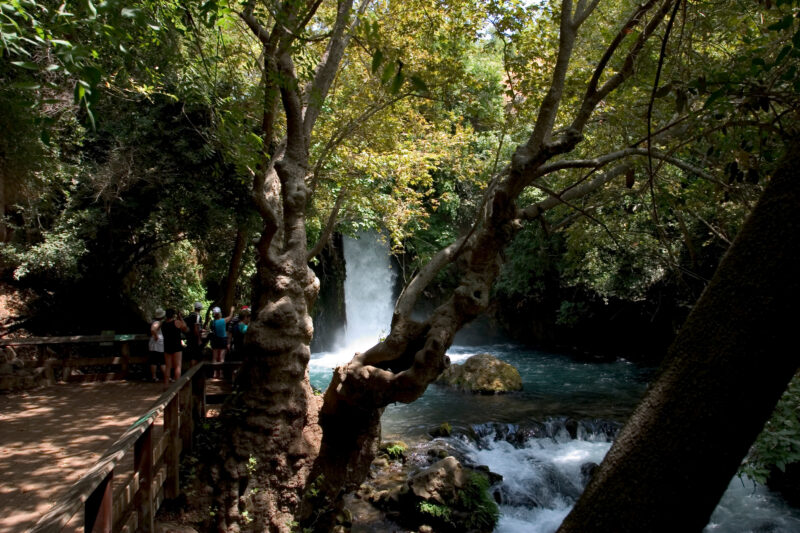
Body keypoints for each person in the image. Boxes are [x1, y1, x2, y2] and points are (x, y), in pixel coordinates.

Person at [160, 308, 188, 386]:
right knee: (177, 366)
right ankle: (177, 386)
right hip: (176, 346)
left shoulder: (163, 324)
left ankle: (166, 385)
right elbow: (185, 327)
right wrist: (180, 318)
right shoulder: (177, 322)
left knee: (168, 367)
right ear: (173, 315)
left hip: (167, 346)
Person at [210, 306, 234, 379]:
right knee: (221, 357)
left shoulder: (213, 322)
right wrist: (232, 310)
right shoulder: (223, 321)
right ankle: (220, 373)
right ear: (220, 313)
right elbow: (230, 317)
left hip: (215, 340)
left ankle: (214, 373)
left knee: (215, 357)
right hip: (223, 340)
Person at [184, 301, 204, 367]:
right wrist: (199, 339)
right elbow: (196, 329)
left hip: (189, 338)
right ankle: (194, 371)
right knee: (195, 357)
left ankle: (191, 370)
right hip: (195, 339)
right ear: (200, 309)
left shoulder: (189, 316)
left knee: (192, 356)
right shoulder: (198, 317)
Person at [148, 308, 166, 382]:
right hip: (158, 343)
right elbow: (153, 329)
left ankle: (154, 377)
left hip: (155, 343)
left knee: (154, 360)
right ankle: (166, 376)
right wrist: (156, 336)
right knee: (162, 360)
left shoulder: (155, 322)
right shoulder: (157, 322)